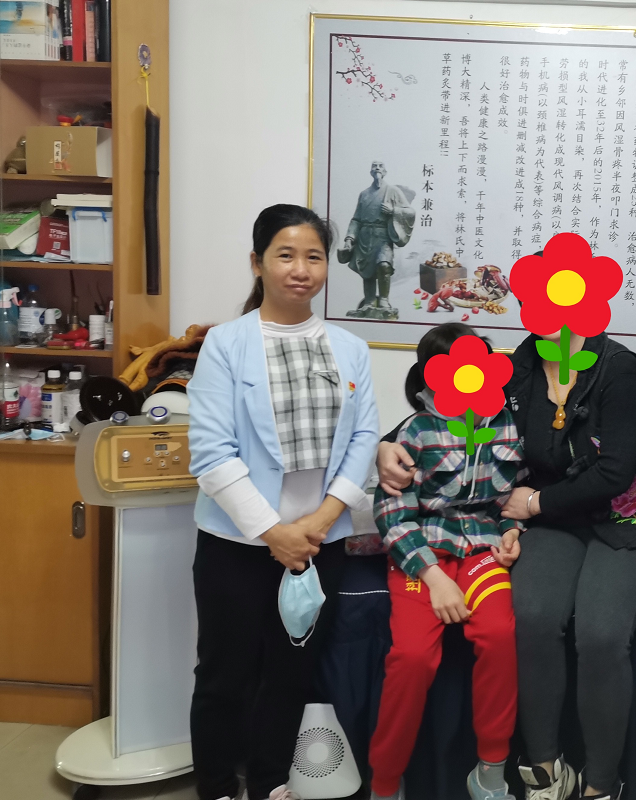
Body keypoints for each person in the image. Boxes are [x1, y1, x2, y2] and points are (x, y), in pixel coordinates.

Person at [377, 319, 636, 800]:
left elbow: (615, 471)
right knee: (529, 617)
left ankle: (600, 783)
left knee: (601, 634)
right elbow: (438, 410)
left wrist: (530, 506)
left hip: (617, 519)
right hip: (550, 522)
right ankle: (544, 769)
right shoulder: (515, 368)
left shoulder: (618, 368)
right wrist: (385, 445)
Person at [187, 204, 379, 800]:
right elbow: (212, 454)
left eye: (314, 257)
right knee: (224, 674)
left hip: (321, 543)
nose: (301, 269)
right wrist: (275, 532)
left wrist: (320, 522)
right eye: (286, 255)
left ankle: (271, 781)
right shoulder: (226, 345)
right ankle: (219, 785)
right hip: (238, 543)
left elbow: (364, 438)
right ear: (258, 262)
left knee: (292, 670)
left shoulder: (349, 347)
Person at [367, 322, 524, 800]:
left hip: (481, 549)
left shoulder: (506, 422)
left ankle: (491, 768)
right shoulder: (415, 431)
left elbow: (515, 493)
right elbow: (392, 513)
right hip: (423, 553)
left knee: (499, 636)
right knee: (412, 657)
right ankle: (385, 782)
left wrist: (513, 529)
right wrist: (434, 578)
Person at [337, 160, 416, 318]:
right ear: (371, 171)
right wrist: (349, 238)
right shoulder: (364, 194)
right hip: (365, 236)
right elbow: (356, 219)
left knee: (384, 266)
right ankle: (369, 301)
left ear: (385, 172)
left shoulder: (393, 191)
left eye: (380, 166)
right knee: (367, 270)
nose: (377, 168)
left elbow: (410, 212)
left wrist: (393, 211)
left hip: (382, 236)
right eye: (374, 166)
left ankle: (384, 300)